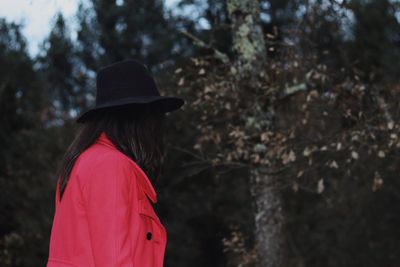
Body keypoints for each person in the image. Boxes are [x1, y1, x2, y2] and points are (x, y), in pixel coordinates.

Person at [45, 59, 184, 267]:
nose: (159, 125)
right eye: (155, 115)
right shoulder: (110, 167)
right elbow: (114, 259)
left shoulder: (87, 160)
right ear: (138, 117)